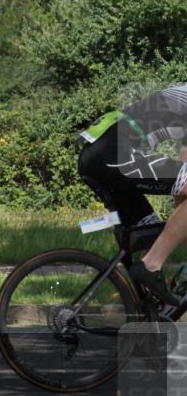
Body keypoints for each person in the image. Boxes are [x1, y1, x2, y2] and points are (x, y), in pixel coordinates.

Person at [77, 84, 187, 306]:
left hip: (94, 157)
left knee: (151, 233)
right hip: (115, 153)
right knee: (154, 254)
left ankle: (149, 305)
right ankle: (151, 265)